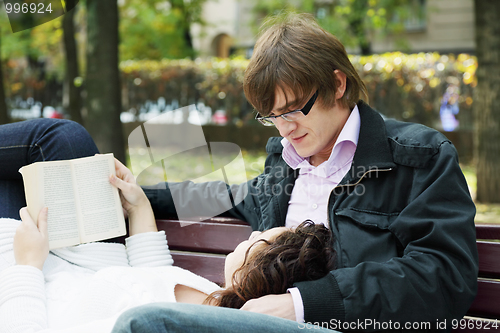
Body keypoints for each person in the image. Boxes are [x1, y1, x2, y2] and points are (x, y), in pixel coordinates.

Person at [121, 12, 478, 332]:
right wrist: (136, 194)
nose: (284, 129)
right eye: (271, 116)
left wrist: (303, 305)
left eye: (293, 110)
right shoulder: (285, 161)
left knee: (148, 322)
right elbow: (221, 196)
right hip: (257, 320)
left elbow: (445, 276)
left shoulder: (416, 157)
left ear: (337, 85)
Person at [0, 119, 337, 332]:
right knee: (61, 137)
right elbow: (152, 278)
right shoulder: (211, 297)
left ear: (254, 275)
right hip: (79, 260)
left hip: (19, 274)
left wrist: (27, 265)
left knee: (53, 141)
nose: (256, 232)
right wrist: (140, 207)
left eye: (263, 238)